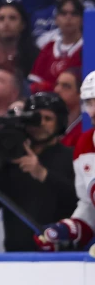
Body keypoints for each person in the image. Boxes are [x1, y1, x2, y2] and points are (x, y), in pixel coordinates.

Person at [0, 91, 77, 251]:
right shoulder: (11, 157)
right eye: (36, 118)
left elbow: (78, 203)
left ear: (60, 123)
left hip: (61, 257)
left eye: (48, 119)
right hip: (16, 258)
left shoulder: (72, 156)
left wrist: (43, 174)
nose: (41, 123)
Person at [35, 70, 95, 251]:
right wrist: (67, 230)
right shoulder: (85, 145)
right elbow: (88, 206)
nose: (93, 111)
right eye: (89, 103)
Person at [29, 0, 83, 94]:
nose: (68, 17)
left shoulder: (88, 48)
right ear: (56, 19)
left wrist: (48, 86)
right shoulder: (48, 47)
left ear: (82, 19)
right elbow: (34, 83)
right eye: (63, 13)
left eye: (74, 14)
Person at [0, 0, 40, 78]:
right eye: (1, 19)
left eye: (12, 18)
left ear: (23, 24)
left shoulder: (36, 56)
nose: (6, 23)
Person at [55, 68, 84, 147]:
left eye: (66, 86)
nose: (57, 90)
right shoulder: (50, 121)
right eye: (57, 84)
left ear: (81, 93)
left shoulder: (84, 129)